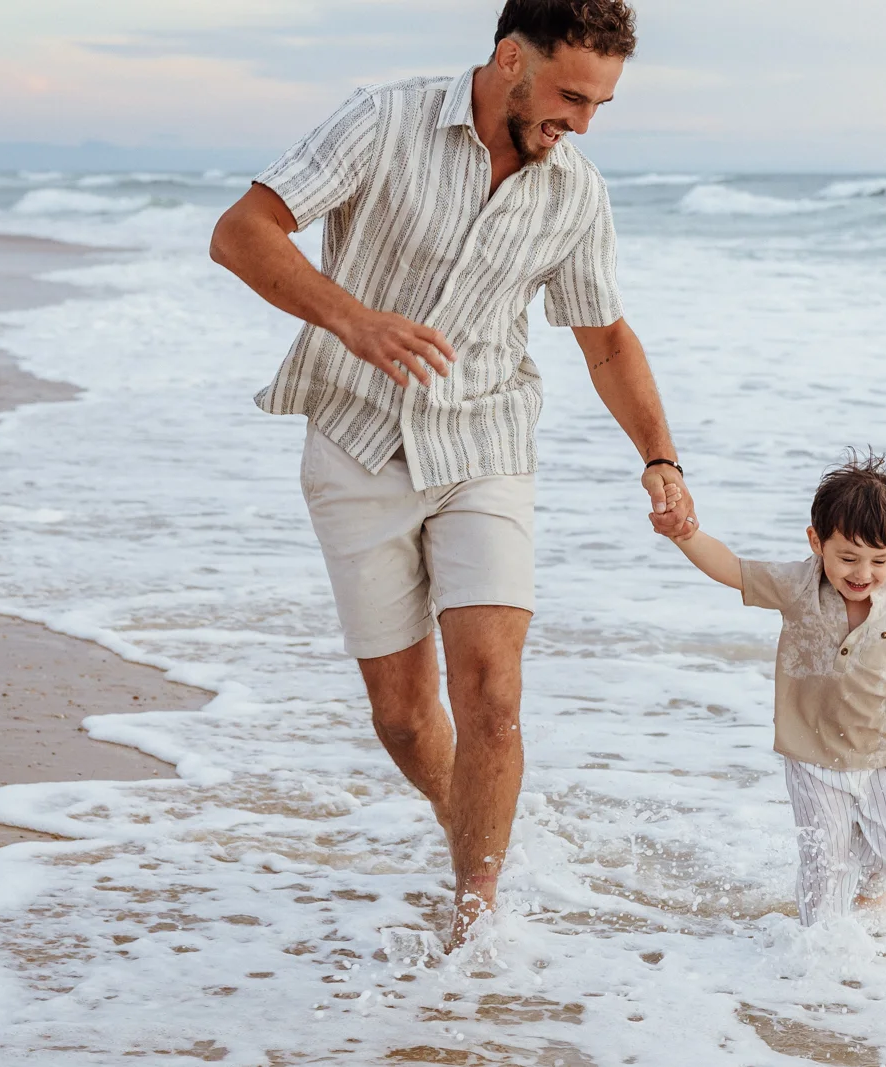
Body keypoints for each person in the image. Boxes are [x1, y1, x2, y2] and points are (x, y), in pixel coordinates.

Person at [208, 0, 695, 946]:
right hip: (356, 439)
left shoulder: (573, 190)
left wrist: (660, 458)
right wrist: (355, 320)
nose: (582, 123)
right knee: (402, 715)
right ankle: (471, 822)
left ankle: (477, 920)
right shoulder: (383, 120)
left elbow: (604, 339)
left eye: (600, 105)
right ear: (510, 57)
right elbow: (242, 232)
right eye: (568, 96)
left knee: (492, 694)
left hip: (485, 443)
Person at [669, 453, 886, 925]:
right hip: (812, 753)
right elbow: (733, 569)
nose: (862, 573)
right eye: (847, 557)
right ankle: (816, 955)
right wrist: (686, 535)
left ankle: (871, 897)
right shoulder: (796, 586)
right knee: (825, 866)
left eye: (879, 560)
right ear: (816, 542)